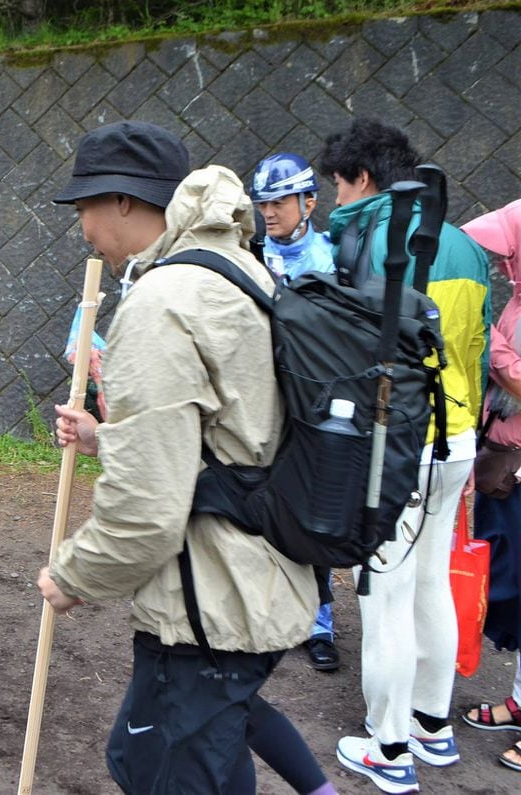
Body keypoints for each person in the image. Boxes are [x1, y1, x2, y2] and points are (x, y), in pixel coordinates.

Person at [36, 120, 324, 793]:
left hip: (213, 600)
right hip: (261, 574)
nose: (83, 230)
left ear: (125, 202)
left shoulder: (161, 302)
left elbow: (148, 507)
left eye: (85, 209)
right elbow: (226, 438)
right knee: (204, 763)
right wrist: (105, 437)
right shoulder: (240, 268)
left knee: (165, 770)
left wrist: (73, 572)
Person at [320, 118, 491, 793]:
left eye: (337, 185)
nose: (335, 202)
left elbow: (346, 348)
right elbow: (471, 348)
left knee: (383, 592)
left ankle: (388, 748)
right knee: (429, 582)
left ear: (362, 176)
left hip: (397, 445)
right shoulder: (464, 243)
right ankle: (430, 724)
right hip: (458, 441)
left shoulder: (365, 236)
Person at [250, 152, 341, 673]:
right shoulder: (250, 257)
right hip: (265, 406)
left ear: (310, 201)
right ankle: (268, 616)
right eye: (263, 203)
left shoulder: (334, 257)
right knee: (264, 510)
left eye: (279, 201)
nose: (269, 211)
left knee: (319, 518)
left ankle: (321, 623)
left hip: (321, 407)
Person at [459, 198, 521, 775]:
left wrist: (492, 346)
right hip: (506, 461)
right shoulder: (518, 301)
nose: (503, 264)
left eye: (510, 253)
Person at [250, 152, 335, 281]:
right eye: (262, 204)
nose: (267, 213)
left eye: (277, 203)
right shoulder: (246, 252)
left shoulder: (333, 258)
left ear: (307, 206)